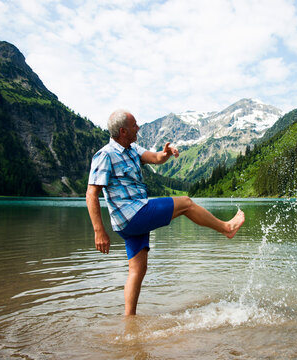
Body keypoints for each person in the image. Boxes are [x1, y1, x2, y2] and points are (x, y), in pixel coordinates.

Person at [86, 109, 245, 316]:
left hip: (132, 219)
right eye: (135, 125)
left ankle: (129, 321)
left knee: (137, 270)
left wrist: (166, 153)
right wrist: (99, 231)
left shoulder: (132, 149)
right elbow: (91, 194)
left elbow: (156, 158)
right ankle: (227, 228)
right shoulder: (105, 155)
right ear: (123, 131)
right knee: (186, 203)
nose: (139, 128)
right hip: (132, 215)